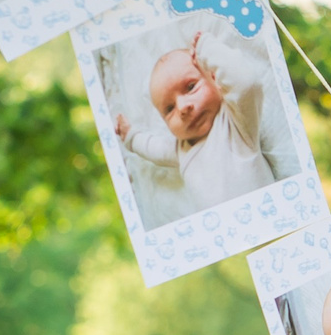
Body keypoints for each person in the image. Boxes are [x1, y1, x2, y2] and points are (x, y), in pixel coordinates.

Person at [114, 32, 278, 210]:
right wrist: (130, 136)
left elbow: (246, 83)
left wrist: (206, 47)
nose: (183, 108)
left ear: (214, 79)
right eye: (169, 109)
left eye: (191, 87)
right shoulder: (181, 149)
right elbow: (152, 148)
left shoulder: (235, 122)